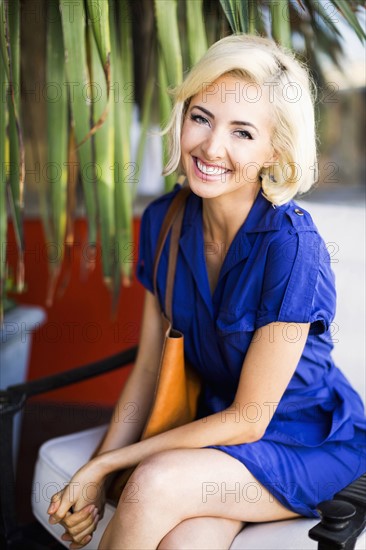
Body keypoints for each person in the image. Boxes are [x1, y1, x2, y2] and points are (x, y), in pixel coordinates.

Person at [47, 34, 366, 550]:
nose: (211, 148)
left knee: (152, 483)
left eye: (243, 132)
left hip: (302, 440)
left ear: (275, 151)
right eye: (202, 117)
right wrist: (93, 478)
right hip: (214, 433)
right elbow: (150, 370)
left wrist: (109, 464)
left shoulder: (292, 247)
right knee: (187, 540)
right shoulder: (163, 220)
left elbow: (249, 420)